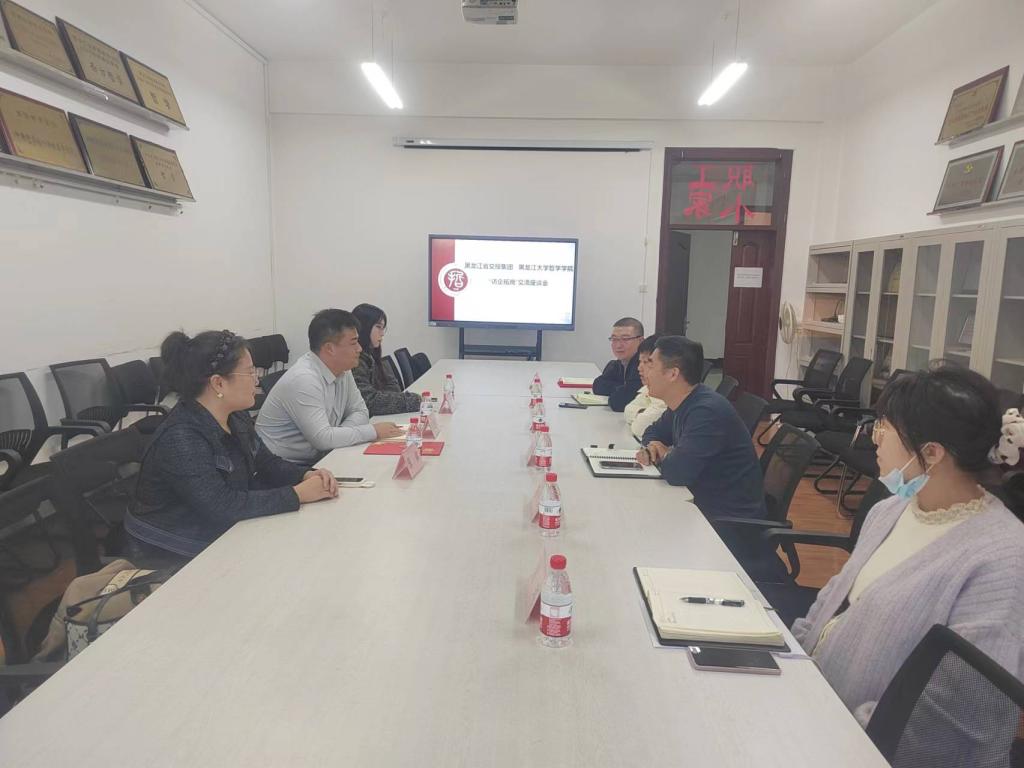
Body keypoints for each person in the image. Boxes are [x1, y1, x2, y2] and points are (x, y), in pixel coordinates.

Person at [792, 365, 1024, 763]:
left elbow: (958, 719)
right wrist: (791, 660)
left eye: (885, 428)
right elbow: (833, 599)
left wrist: (840, 731)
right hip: (814, 711)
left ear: (932, 453)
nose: (874, 438)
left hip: (869, 749)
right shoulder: (892, 509)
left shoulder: (1003, 559)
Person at [128, 330, 338, 562]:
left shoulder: (235, 416)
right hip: (171, 546)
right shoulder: (181, 437)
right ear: (218, 383)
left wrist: (306, 475)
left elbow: (267, 463)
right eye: (250, 372)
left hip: (218, 528)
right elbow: (221, 506)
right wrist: (297, 494)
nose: (257, 380)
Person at [635, 336, 765, 521]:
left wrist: (664, 453)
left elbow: (677, 472)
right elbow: (651, 432)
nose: (644, 371)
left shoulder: (706, 411)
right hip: (701, 502)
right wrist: (655, 447)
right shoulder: (683, 401)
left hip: (727, 520)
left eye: (651, 365)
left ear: (673, 374)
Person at [256, 309, 403, 463]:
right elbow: (323, 439)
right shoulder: (304, 379)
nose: (359, 348)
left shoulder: (343, 369)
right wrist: (373, 431)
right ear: (329, 348)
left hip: (323, 457)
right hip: (284, 465)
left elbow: (360, 411)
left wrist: (337, 436)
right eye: (353, 343)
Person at [351, 303, 421, 416]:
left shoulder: (372, 355)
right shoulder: (355, 362)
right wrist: (414, 401)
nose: (382, 333)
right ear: (364, 327)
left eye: (383, 328)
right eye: (378, 327)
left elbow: (393, 387)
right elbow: (369, 401)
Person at [592, 317, 644, 412]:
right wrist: (622, 387)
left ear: (640, 341)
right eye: (614, 339)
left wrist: (622, 390)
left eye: (625, 339)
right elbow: (598, 385)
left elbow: (619, 402)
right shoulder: (620, 362)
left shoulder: (643, 366)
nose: (618, 345)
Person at [623, 333, 667, 440]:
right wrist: (642, 412)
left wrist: (640, 416)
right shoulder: (648, 387)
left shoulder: (666, 392)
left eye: (646, 362)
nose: (639, 368)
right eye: (640, 362)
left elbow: (640, 427)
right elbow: (628, 409)